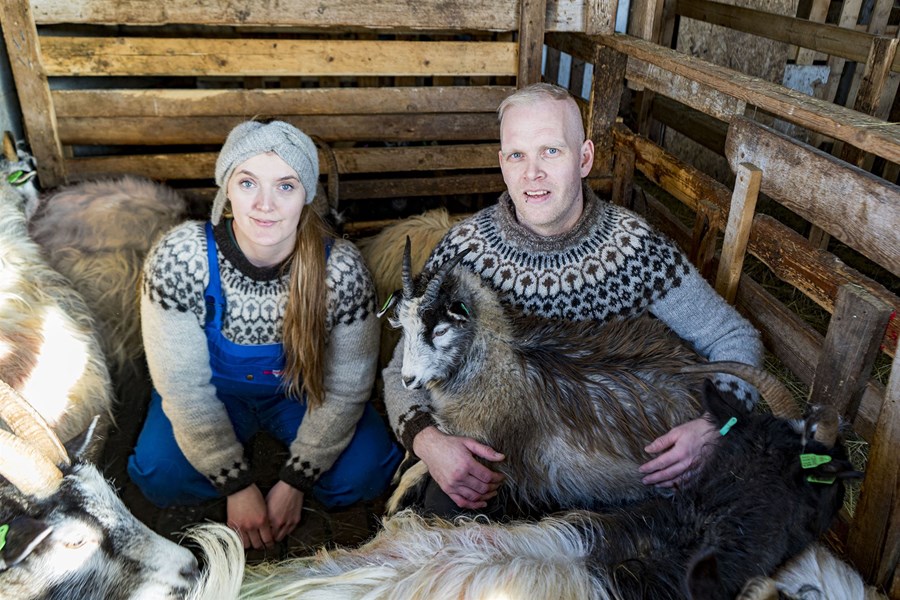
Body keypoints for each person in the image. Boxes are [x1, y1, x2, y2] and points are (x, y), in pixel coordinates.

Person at [383, 83, 763, 516]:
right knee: (439, 530)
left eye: (550, 151)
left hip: (609, 464)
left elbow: (733, 336)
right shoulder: (462, 252)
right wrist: (428, 442)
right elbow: (401, 367)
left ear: (584, 158)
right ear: (502, 164)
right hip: (501, 464)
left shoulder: (635, 249)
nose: (532, 173)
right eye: (517, 155)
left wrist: (719, 423)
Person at [128, 120, 403, 550]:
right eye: (248, 182)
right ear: (227, 189)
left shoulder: (341, 270)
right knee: (159, 475)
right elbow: (182, 387)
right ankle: (232, 482)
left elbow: (347, 387)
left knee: (366, 473)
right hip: (213, 396)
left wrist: (295, 480)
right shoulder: (182, 257)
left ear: (306, 195)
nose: (265, 204)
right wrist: (237, 485)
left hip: (302, 395)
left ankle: (283, 480)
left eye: (286, 186)